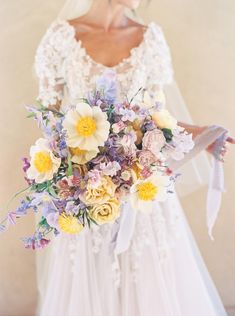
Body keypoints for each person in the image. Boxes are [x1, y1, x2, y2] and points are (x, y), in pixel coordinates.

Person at [34, 0, 235, 315]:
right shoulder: (61, 38)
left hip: (143, 192)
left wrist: (201, 134)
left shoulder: (150, 38)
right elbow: (49, 125)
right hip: (86, 195)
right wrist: (76, 173)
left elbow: (156, 118)